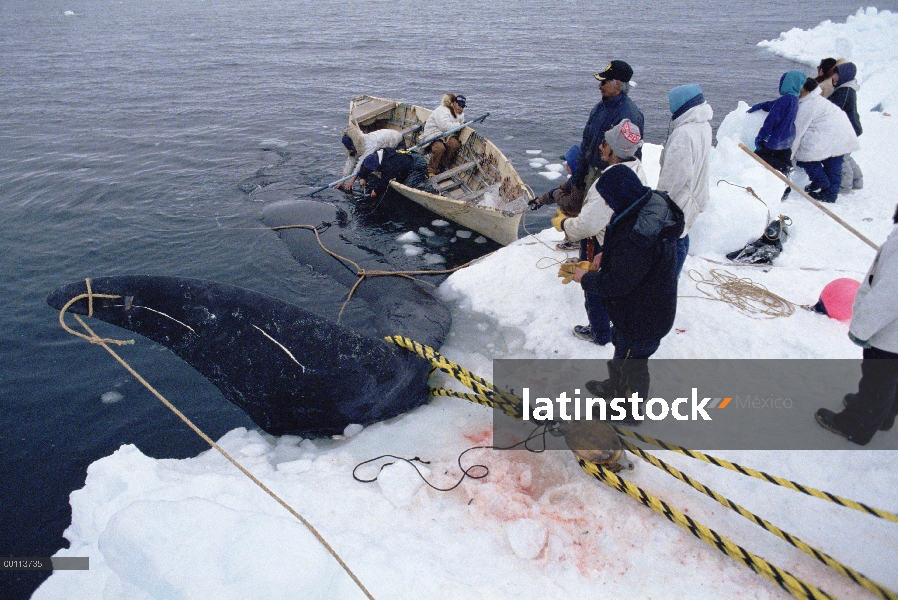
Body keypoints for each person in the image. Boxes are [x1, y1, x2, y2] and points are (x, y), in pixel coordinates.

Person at [571, 166, 684, 424]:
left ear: (620, 195)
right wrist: (605, 254)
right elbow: (628, 257)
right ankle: (614, 387)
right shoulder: (645, 206)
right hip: (639, 308)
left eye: (609, 199)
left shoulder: (639, 237)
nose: (608, 205)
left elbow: (616, 283)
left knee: (632, 364)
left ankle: (627, 411)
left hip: (644, 317)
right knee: (623, 352)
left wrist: (584, 278)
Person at [556, 119, 647, 345]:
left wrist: (564, 225)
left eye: (605, 143)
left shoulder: (606, 182)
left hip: (602, 244)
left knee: (595, 288)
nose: (600, 146)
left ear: (614, 149)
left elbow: (588, 224)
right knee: (615, 288)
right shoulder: (637, 170)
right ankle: (614, 324)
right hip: (622, 243)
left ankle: (599, 332)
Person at [815, 204, 898, 445]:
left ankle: (856, 424)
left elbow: (889, 296)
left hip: (890, 334)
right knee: (892, 378)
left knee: (877, 380)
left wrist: (862, 329)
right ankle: (883, 415)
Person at [560, 61, 644, 212]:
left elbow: (630, 156)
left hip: (609, 180)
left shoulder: (629, 115)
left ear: (618, 84)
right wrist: (578, 181)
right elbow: (586, 144)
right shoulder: (600, 108)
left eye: (604, 82)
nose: (600, 85)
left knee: (599, 222)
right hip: (591, 174)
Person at [657, 84, 712, 278]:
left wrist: (660, 201)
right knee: (683, 234)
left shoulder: (683, 134)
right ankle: (674, 275)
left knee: (675, 239)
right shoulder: (702, 124)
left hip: (681, 199)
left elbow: (675, 176)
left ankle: (670, 279)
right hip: (696, 193)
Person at [791, 78, 859, 203]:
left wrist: (789, 155)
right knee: (834, 165)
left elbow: (798, 132)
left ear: (805, 90)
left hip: (829, 136)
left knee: (805, 157)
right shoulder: (819, 100)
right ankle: (830, 193)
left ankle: (821, 182)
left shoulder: (807, 105)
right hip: (842, 135)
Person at [747, 70, 806, 175]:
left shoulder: (786, 99)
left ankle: (783, 167)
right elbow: (775, 105)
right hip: (788, 137)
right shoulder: (794, 99)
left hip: (776, 138)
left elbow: (772, 119)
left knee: (757, 158)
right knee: (783, 157)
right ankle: (786, 179)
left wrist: (762, 136)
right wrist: (762, 106)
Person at [529, 145, 581, 251]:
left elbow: (571, 204)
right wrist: (540, 201)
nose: (566, 165)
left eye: (569, 162)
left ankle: (577, 240)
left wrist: (556, 193)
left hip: (584, 215)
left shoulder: (581, 183)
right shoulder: (575, 179)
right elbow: (560, 189)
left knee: (565, 211)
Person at [337, 124, 405, 192]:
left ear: (355, 144)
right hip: (384, 141)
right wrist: (342, 180)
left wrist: (352, 180)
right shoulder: (358, 143)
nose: (351, 151)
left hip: (397, 142)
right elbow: (351, 160)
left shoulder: (369, 144)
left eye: (352, 148)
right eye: (349, 149)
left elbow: (362, 163)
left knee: (393, 165)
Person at [829, 62, 864, 191]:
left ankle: (845, 185)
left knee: (841, 156)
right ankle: (857, 180)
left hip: (846, 129)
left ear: (844, 75)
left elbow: (835, 109)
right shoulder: (847, 88)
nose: (833, 77)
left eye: (836, 74)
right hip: (851, 127)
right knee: (846, 155)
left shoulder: (845, 91)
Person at [356, 148, 437, 200]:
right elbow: (365, 163)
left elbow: (384, 181)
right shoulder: (377, 154)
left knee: (409, 184)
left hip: (417, 163)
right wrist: (363, 177)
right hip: (408, 158)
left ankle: (433, 191)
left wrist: (375, 191)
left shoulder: (388, 164)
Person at [421, 94, 466, 177]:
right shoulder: (442, 110)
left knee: (454, 145)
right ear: (454, 103)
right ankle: (431, 170)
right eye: (459, 105)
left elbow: (459, 125)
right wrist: (458, 125)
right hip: (434, 132)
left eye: (463, 106)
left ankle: (442, 166)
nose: (461, 108)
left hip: (447, 134)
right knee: (439, 148)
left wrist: (457, 125)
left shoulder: (461, 114)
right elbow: (444, 126)